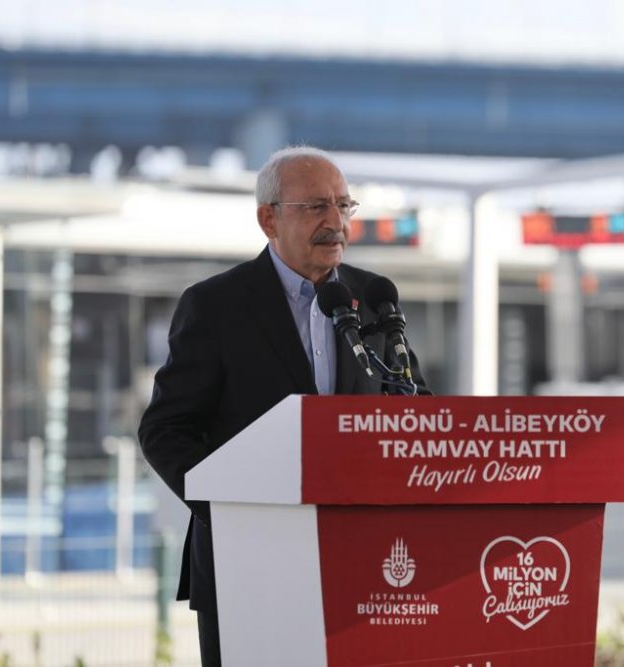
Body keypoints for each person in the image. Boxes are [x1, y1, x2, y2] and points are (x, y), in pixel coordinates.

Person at [138, 145, 430, 666]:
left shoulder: (376, 297)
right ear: (268, 219)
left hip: (364, 563)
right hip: (246, 563)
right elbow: (167, 428)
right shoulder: (216, 306)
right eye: (316, 206)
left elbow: (415, 409)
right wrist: (226, 510)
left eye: (344, 205)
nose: (335, 222)